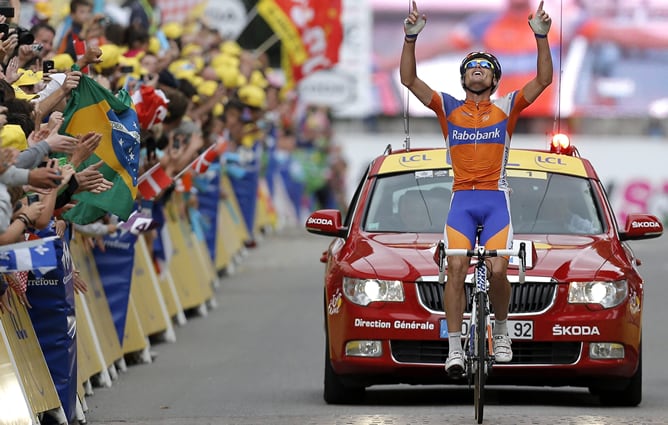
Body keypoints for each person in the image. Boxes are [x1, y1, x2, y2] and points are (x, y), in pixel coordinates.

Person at [400, 0, 553, 376]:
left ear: (495, 78)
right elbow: (409, 81)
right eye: (472, 68)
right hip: (461, 200)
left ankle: (501, 332)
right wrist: (409, 38)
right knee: (454, 266)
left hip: (495, 199)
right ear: (463, 78)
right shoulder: (448, 108)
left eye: (485, 68)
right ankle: (454, 348)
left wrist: (541, 37)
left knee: (499, 270)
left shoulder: (507, 106)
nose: (478, 71)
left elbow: (544, 81)